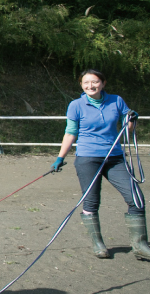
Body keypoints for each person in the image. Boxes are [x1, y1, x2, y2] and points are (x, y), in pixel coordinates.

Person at [52, 69, 149, 260]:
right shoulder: (76, 105)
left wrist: (131, 119)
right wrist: (60, 157)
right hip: (88, 158)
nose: (91, 86)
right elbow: (71, 132)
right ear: (81, 85)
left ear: (103, 83)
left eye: (95, 82)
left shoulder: (116, 101)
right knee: (91, 201)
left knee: (136, 198)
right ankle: (98, 244)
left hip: (115, 157)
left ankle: (140, 245)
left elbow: (127, 129)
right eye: (86, 83)